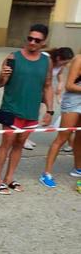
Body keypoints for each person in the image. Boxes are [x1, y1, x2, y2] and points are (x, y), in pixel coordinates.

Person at [0, 24, 53, 194]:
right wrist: (3, 75)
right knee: (7, 143)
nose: (32, 42)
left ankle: (9, 178)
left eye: (37, 40)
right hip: (11, 109)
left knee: (19, 144)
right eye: (30, 38)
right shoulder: (13, 57)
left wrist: (50, 110)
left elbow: (47, 86)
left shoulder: (46, 61)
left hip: (31, 111)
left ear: (43, 42)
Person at [40, 53, 81, 187]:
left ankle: (78, 168)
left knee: (80, 137)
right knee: (62, 137)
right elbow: (69, 85)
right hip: (74, 101)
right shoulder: (79, 59)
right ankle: (46, 173)